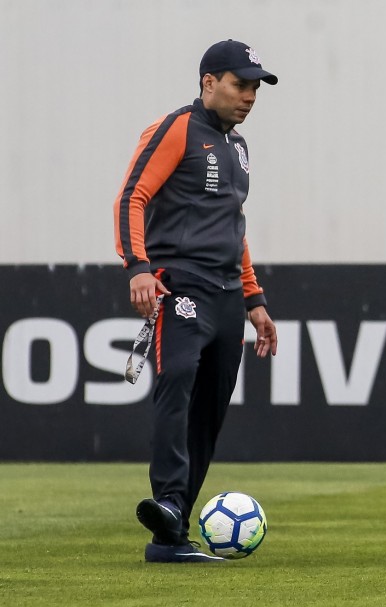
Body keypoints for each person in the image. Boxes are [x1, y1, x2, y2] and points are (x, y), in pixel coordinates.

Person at [113, 39, 280, 563]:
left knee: (209, 409)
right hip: (179, 284)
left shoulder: (240, 147)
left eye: (255, 86)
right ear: (208, 82)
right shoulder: (175, 128)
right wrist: (138, 267)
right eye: (239, 84)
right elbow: (131, 197)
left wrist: (254, 298)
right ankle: (166, 503)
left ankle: (174, 529)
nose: (249, 95)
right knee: (177, 381)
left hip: (229, 295)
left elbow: (234, 227)